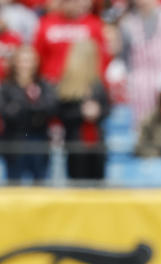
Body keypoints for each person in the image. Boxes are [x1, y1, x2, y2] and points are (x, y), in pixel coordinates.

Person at [0, 45, 55, 183]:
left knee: (40, 183)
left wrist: (21, 106)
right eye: (23, 60)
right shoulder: (6, 87)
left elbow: (51, 109)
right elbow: (6, 114)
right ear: (15, 62)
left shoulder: (44, 85)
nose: (26, 65)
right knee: (14, 185)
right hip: (14, 141)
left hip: (39, 140)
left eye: (30, 60)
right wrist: (31, 105)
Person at [56, 39, 110, 182]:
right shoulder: (67, 85)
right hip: (76, 143)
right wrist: (81, 113)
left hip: (96, 143)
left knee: (97, 184)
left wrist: (98, 112)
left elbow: (107, 109)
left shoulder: (98, 84)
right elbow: (61, 114)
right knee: (77, 183)